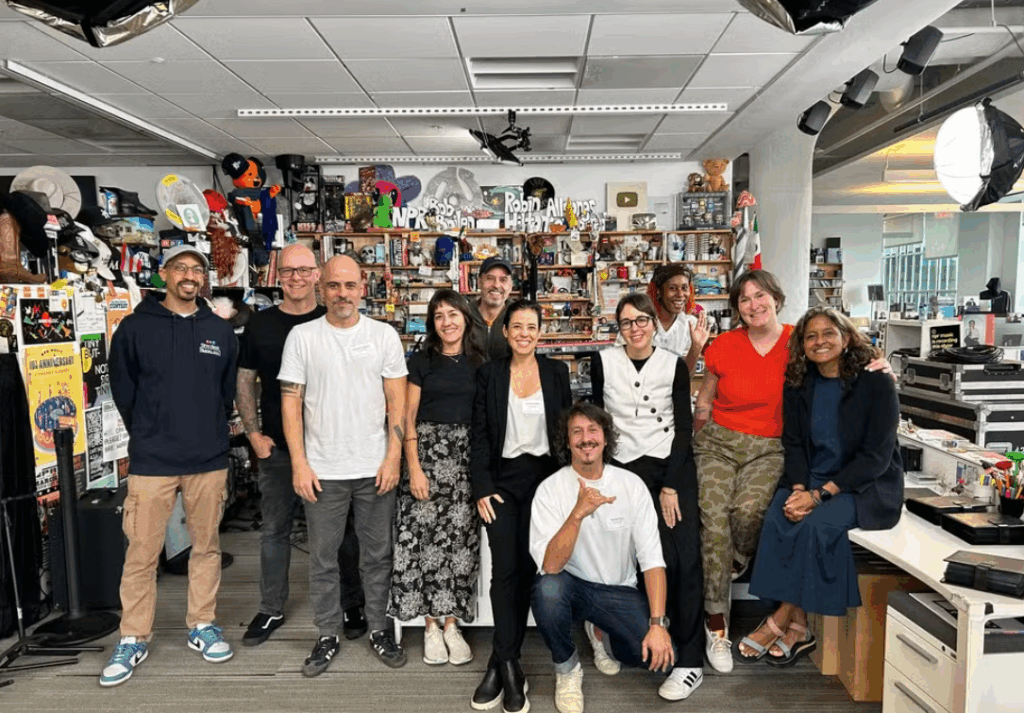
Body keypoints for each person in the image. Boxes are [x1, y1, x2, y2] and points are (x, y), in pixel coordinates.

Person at [694, 270, 891, 674]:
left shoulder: (802, 346)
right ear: (735, 308)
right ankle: (720, 623)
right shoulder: (731, 348)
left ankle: (766, 598)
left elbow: (862, 434)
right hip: (728, 444)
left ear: (777, 299)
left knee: (750, 514)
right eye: (744, 299)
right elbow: (706, 399)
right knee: (717, 519)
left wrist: (879, 361)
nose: (753, 304)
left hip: (776, 451)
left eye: (760, 295)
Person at [102, 244, 238, 687]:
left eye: (197, 270)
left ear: (204, 280)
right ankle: (133, 636)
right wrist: (148, 429)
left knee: (206, 547)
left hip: (207, 458)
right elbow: (123, 389)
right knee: (141, 553)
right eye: (180, 267)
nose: (189, 275)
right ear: (164, 274)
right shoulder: (134, 328)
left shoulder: (221, 331)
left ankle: (202, 624)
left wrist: (206, 429)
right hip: (152, 460)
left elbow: (224, 393)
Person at [735, 306, 902, 666]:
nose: (820, 341)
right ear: (802, 345)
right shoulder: (799, 383)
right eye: (811, 336)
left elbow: (875, 457)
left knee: (816, 524)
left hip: (862, 485)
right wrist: (798, 488)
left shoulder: (876, 382)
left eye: (829, 333)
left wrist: (819, 495)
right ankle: (800, 628)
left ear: (845, 337)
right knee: (778, 519)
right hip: (809, 476)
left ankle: (779, 620)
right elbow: (793, 443)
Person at [278, 255, 408, 676]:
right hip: (322, 470)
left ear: (362, 287)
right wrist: (299, 463)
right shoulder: (301, 336)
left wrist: (393, 458)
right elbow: (291, 402)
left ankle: (378, 628)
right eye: (334, 286)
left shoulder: (384, 335)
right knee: (323, 558)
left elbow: (397, 403)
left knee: (378, 555)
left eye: (350, 286)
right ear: (322, 288)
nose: (342, 294)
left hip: (375, 469)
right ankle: (328, 634)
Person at [236, 244, 365, 647]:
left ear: (318, 277)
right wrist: (253, 434)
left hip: (330, 450)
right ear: (278, 276)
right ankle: (272, 605)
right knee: (274, 529)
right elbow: (245, 380)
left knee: (341, 532)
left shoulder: (336, 319)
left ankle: (351, 603)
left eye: (304, 271)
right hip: (278, 449)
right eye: (288, 271)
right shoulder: (261, 325)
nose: (295, 278)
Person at [591, 293, 704, 701]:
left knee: (681, 556)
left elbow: (684, 427)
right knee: (631, 557)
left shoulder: (673, 364)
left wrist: (671, 485)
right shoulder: (602, 361)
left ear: (653, 323)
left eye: (641, 320)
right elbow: (600, 421)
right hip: (623, 468)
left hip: (670, 467)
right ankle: (644, 634)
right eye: (626, 323)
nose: (635, 328)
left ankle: (691, 660)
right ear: (617, 328)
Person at [530, 402, 674, 713]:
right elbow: (550, 566)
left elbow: (652, 560)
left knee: (658, 660)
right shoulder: (549, 490)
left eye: (593, 430)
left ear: (605, 438)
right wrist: (578, 513)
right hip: (572, 587)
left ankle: (601, 632)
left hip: (618, 592)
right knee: (547, 588)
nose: (586, 438)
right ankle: (567, 668)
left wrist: (658, 624)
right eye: (576, 432)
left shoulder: (631, 485)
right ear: (567, 441)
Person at [470, 299, 572, 713]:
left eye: (532, 327)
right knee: (505, 570)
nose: (525, 334)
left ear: (539, 332)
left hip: (547, 482)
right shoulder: (489, 374)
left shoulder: (556, 372)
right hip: (503, 484)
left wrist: (570, 488)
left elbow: (566, 433)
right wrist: (481, 487)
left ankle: (501, 661)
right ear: (506, 332)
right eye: (517, 327)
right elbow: (478, 435)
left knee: (532, 569)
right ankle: (511, 666)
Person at [388, 289, 485, 666]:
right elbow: (407, 418)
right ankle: (429, 626)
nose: (447, 321)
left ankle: (451, 625)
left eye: (453, 314)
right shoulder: (421, 361)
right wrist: (413, 467)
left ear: (466, 318)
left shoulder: (480, 361)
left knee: (459, 546)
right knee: (421, 544)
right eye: (439, 315)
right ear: (432, 323)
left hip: (464, 462)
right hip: (425, 456)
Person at [646, 264, 709, 372]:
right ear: (659, 291)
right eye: (672, 288)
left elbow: (686, 377)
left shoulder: (691, 325)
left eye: (684, 288)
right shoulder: (640, 322)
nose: (680, 294)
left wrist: (696, 347)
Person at [468, 255, 515, 360]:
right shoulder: (464, 315)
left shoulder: (519, 316)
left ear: (511, 285)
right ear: (479, 282)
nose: (496, 285)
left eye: (503, 280)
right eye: (490, 278)